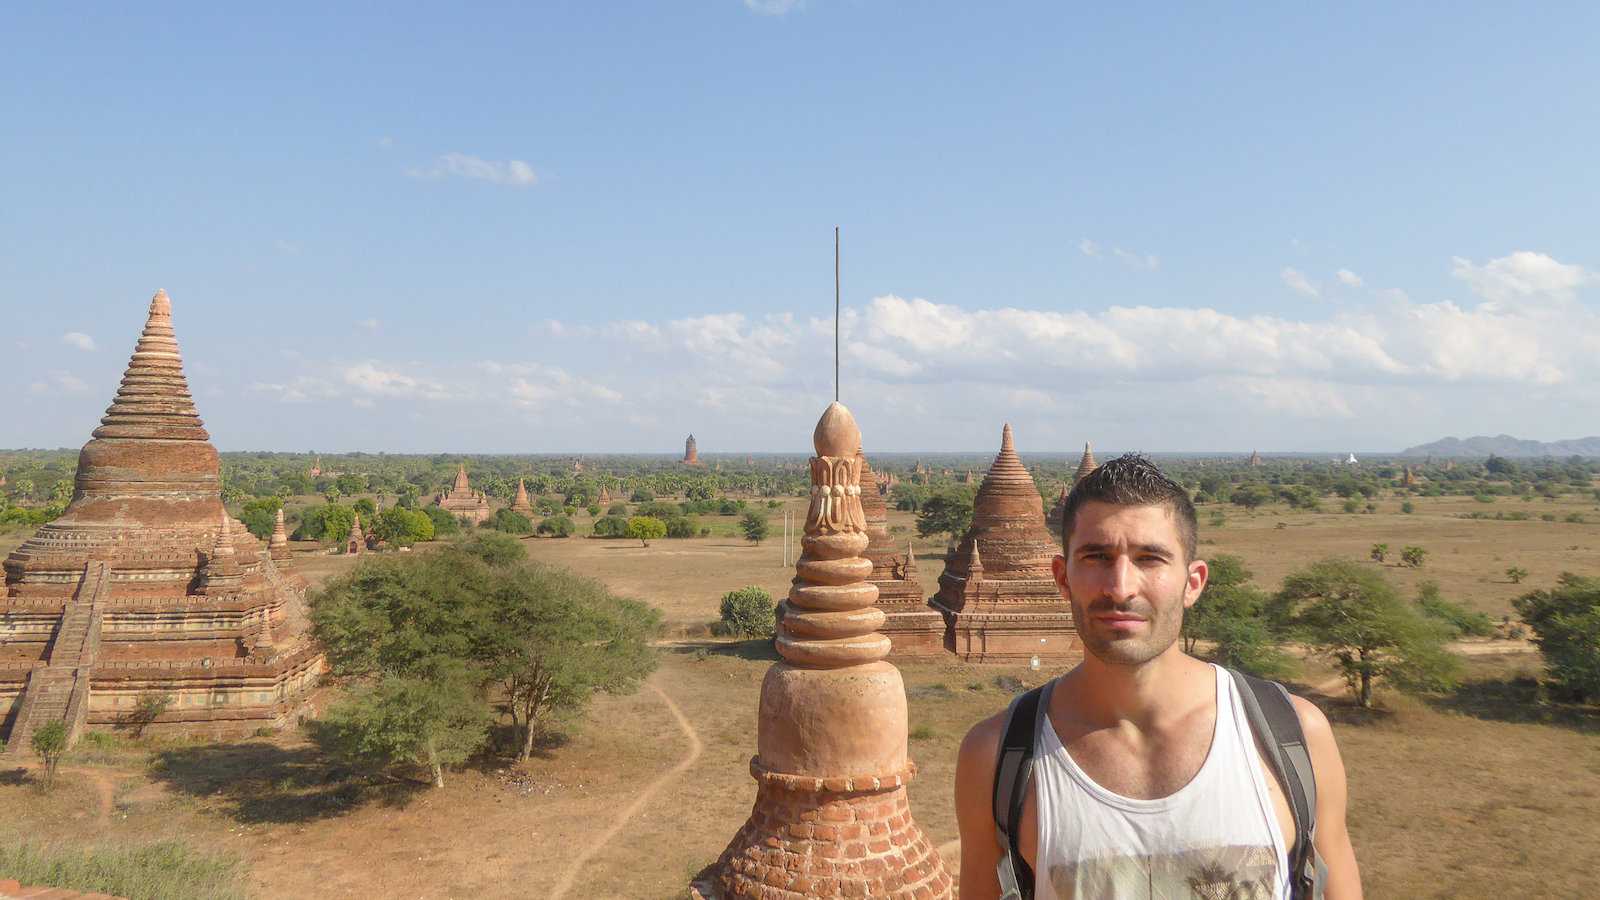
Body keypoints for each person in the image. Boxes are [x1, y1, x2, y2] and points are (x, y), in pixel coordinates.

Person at [954, 454, 1361, 899]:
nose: (1121, 586)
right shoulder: (997, 758)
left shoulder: (1295, 738)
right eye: (1096, 556)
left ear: (1193, 582)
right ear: (1062, 577)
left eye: (1150, 558)